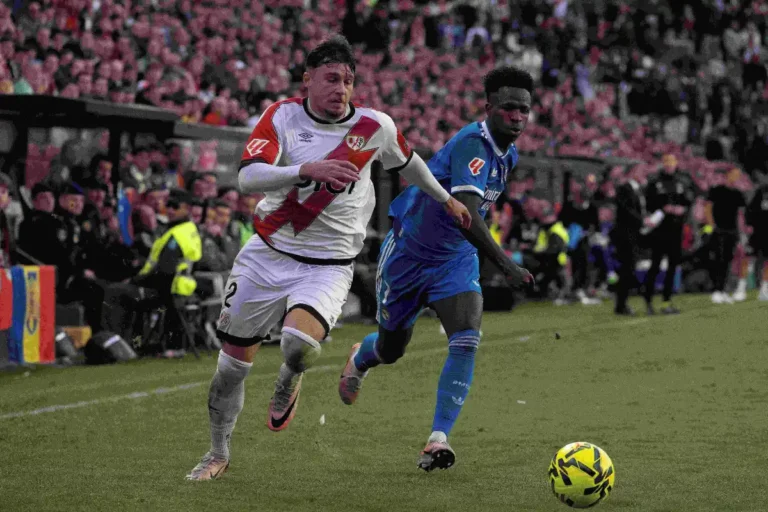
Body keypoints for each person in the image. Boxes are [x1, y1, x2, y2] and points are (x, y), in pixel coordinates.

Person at [186, 36, 471, 481]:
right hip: (267, 254)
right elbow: (247, 177)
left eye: (349, 81)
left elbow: (411, 163)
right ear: (308, 80)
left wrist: (445, 199)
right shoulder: (281, 115)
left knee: (298, 348)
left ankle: (289, 378)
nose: (342, 89)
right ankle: (217, 452)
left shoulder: (374, 126)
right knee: (231, 367)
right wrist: (306, 169)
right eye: (332, 79)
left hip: (328, 265)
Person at [337, 66, 534, 472]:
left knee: (466, 339)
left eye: (525, 110)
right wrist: (505, 264)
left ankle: (438, 438)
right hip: (409, 256)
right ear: (489, 107)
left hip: (454, 261)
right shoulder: (472, 144)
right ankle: (360, 359)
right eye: (510, 108)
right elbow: (467, 213)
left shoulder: (508, 154)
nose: (518, 117)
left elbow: (475, 216)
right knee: (392, 350)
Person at [641, 154, 695, 315]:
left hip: (675, 229)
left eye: (672, 163)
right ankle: (648, 300)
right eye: (667, 163)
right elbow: (648, 203)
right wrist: (664, 208)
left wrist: (681, 210)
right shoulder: (655, 183)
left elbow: (687, 202)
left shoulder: (681, 182)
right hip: (659, 230)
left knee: (672, 266)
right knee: (655, 265)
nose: (669, 166)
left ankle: (666, 300)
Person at [612, 166, 652, 316]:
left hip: (633, 233)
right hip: (625, 234)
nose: (643, 174)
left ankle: (622, 302)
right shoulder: (624, 188)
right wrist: (643, 221)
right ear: (632, 173)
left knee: (630, 267)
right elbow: (626, 210)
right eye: (640, 171)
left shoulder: (638, 190)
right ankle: (621, 304)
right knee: (627, 268)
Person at [705, 168, 747, 304]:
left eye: (738, 176)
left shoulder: (738, 194)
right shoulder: (717, 190)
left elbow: (740, 214)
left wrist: (741, 232)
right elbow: (708, 208)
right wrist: (711, 224)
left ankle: (722, 290)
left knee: (728, 260)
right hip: (718, 229)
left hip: (732, 231)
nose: (735, 177)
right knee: (719, 259)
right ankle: (716, 290)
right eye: (733, 174)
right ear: (726, 175)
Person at [746, 169, 768, 300]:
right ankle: (756, 285)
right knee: (758, 259)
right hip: (759, 233)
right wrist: (750, 227)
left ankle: (765, 286)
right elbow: (750, 211)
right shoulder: (760, 193)